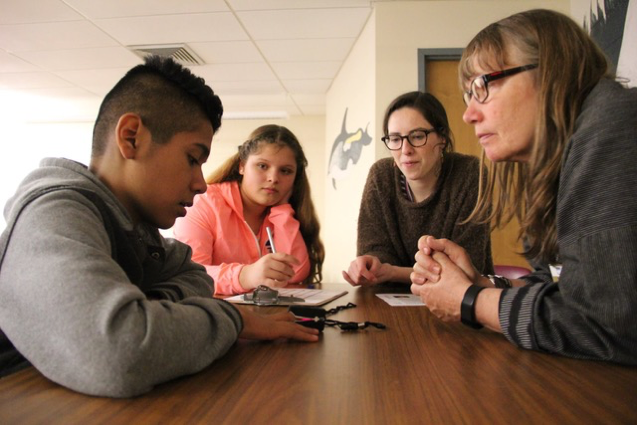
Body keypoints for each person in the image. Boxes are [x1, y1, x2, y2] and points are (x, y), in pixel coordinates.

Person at [0, 56, 319, 398]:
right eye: (192, 159)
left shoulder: (139, 231)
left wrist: (150, 308)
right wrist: (235, 318)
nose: (200, 183)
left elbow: (196, 275)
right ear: (131, 137)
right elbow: (119, 354)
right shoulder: (53, 214)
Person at [411, 9, 637, 364]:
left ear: (551, 73)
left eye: (482, 86)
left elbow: (611, 324)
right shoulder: (552, 164)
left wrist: (470, 301)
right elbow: (558, 287)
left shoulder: (613, 125)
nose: (469, 114)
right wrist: (482, 284)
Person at [343, 91, 493, 286]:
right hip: (388, 303)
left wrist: (393, 272)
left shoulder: (470, 172)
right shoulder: (381, 176)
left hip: (463, 301)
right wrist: (370, 264)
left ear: (442, 138)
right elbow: (376, 250)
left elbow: (466, 269)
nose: (405, 149)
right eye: (395, 139)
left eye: (417, 136)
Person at [173, 125, 324, 295]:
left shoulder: (284, 211)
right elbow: (190, 275)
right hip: (214, 315)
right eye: (262, 166)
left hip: (265, 314)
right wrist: (245, 276)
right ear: (242, 166)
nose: (273, 178)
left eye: (285, 171)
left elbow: (295, 273)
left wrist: (282, 211)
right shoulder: (204, 202)